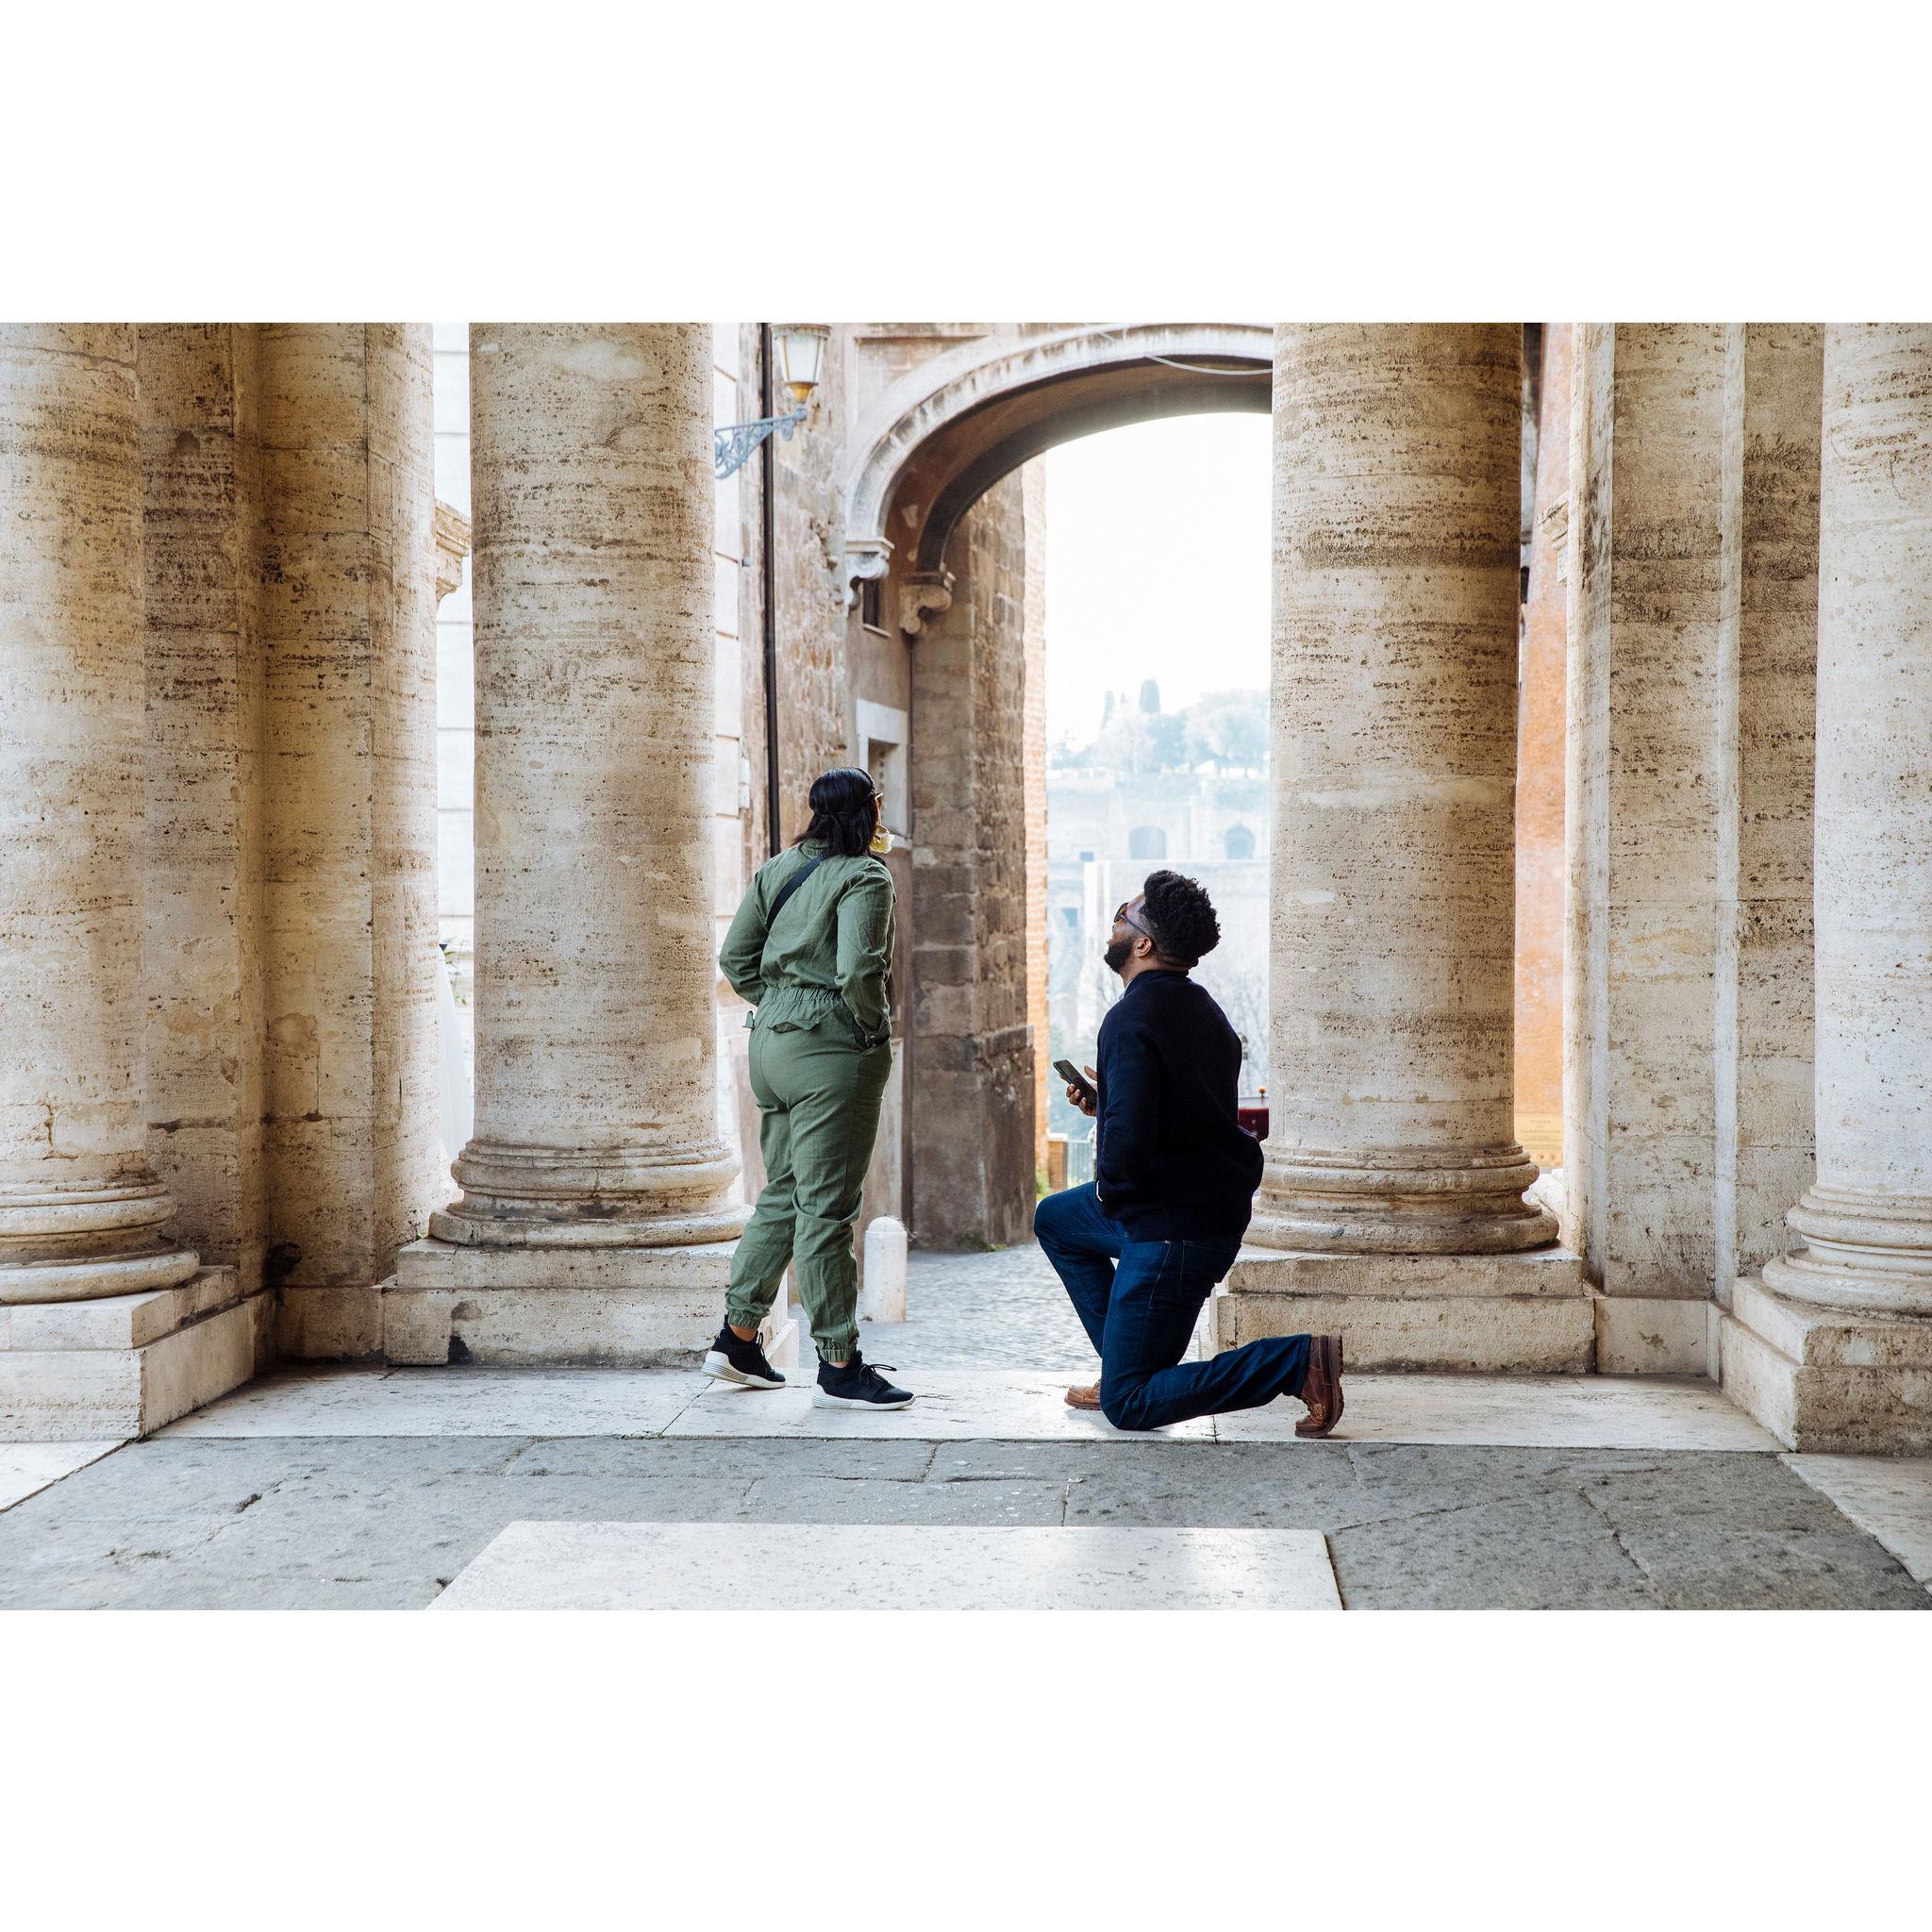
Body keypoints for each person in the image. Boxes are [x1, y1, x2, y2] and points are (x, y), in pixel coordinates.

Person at [1034, 869, 1343, 1436]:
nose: (1114, 926)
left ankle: (1294, 1362)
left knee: (1130, 1405)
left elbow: (1127, 1151)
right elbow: (1185, 1112)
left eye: (1122, 918)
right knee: (1055, 1218)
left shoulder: (1129, 1019)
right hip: (1201, 1204)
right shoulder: (1204, 1010)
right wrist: (1109, 1103)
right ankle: (1123, 1363)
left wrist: (1115, 1183)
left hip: (1172, 1227)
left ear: (1143, 944)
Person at [703, 767, 914, 1410]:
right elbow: (859, 971)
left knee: (785, 1193)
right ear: (867, 811)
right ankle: (840, 1364)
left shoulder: (777, 869)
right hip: (830, 1050)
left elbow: (735, 959)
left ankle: (738, 1339)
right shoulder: (865, 876)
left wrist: (780, 1003)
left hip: (770, 1046)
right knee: (827, 1208)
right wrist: (871, 1030)